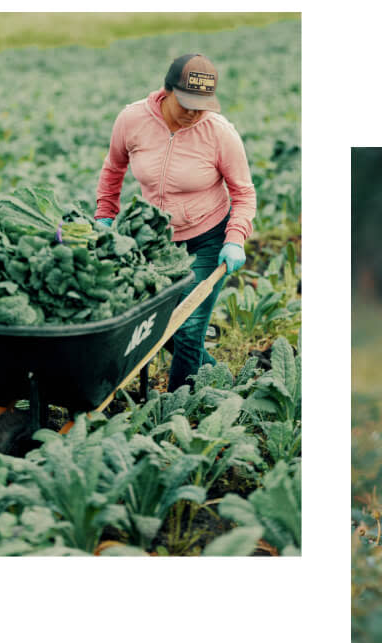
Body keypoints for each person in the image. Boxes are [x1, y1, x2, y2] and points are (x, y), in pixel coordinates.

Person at [94, 53, 256, 391]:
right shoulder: (132, 120)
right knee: (158, 325)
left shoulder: (219, 133)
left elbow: (243, 193)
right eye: (187, 104)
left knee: (189, 327)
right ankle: (216, 377)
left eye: (203, 105)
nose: (195, 113)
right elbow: (113, 170)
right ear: (167, 91)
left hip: (209, 239)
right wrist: (105, 216)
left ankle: (177, 408)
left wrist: (235, 238)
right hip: (157, 241)